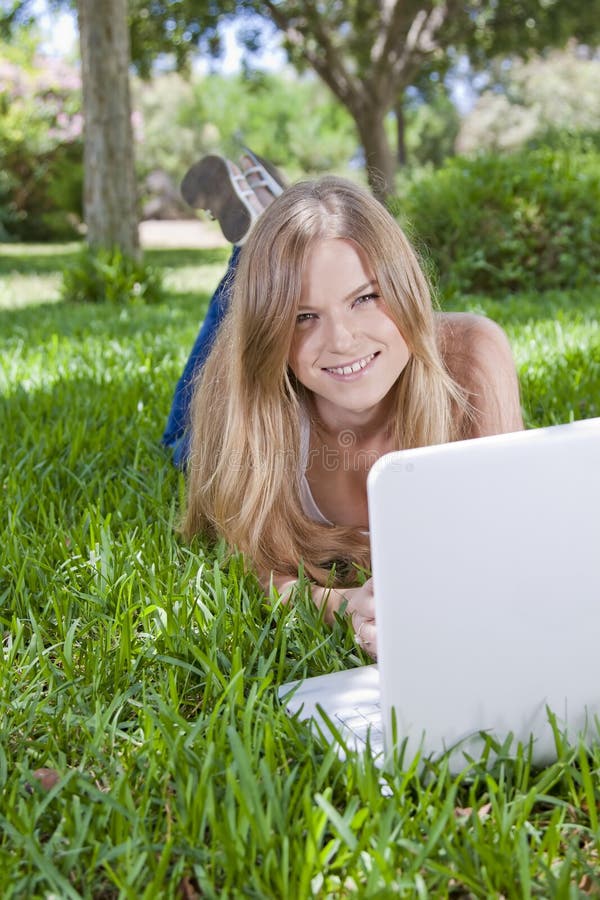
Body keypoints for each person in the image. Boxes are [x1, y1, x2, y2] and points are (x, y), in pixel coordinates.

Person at [167, 152, 524, 657]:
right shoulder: (242, 391)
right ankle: (252, 254)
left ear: (406, 288)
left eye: (365, 298)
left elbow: (505, 535)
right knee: (180, 443)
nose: (342, 340)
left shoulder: (472, 355)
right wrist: (342, 604)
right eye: (303, 316)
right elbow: (258, 569)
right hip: (247, 385)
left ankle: (271, 239)